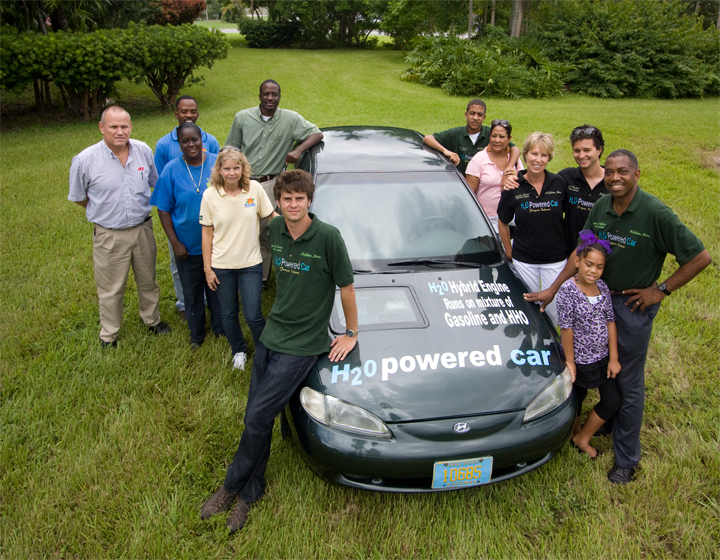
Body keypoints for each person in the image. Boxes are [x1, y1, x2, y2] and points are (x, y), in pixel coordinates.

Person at [525, 149, 711, 484]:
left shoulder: (656, 214)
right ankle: (602, 421)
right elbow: (580, 253)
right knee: (596, 367)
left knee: (627, 380)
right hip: (596, 301)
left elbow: (700, 257)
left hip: (632, 306)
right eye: (609, 171)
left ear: (636, 175)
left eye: (622, 171)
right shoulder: (601, 206)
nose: (614, 178)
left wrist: (661, 289)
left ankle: (626, 457)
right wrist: (554, 289)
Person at [200, 169, 359, 533]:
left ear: (309, 201)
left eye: (299, 199)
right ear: (278, 201)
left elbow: (347, 288)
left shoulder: (328, 237)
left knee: (256, 417)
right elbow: (239, 217)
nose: (292, 205)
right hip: (272, 335)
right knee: (258, 415)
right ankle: (252, 488)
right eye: (286, 198)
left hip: (303, 344)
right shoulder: (275, 231)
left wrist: (350, 333)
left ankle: (231, 487)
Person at [68, 105, 170, 347]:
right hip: (109, 235)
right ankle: (109, 334)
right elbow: (80, 197)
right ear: (102, 128)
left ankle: (152, 320)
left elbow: (155, 183)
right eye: (114, 126)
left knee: (148, 280)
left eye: (124, 126)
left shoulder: (143, 151)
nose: (120, 131)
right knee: (111, 288)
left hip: (143, 229)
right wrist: (105, 212)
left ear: (131, 126)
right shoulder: (85, 160)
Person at [225, 79, 323, 282]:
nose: (270, 98)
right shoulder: (242, 118)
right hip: (243, 183)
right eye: (266, 94)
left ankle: (262, 278)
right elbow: (231, 147)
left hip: (270, 184)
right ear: (260, 95)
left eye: (274, 94)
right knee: (240, 229)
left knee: (269, 232)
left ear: (279, 96)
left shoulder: (290, 119)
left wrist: (298, 149)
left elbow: (316, 133)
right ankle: (238, 273)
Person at [200, 147, 276, 370]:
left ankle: (265, 351)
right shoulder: (210, 195)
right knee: (229, 313)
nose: (232, 172)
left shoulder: (254, 189)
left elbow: (271, 217)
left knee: (253, 315)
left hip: (251, 264)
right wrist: (207, 268)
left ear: (243, 168)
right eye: (227, 168)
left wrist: (297, 228)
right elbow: (206, 233)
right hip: (221, 265)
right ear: (219, 170)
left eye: (236, 167)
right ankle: (239, 350)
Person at [151, 122, 224, 349]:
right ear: (179, 144)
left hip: (217, 244)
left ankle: (221, 329)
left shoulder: (216, 163)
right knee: (192, 293)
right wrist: (175, 243)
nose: (191, 144)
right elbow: (163, 209)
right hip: (187, 245)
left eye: (195, 139)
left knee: (217, 290)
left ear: (202, 139)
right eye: (185, 141)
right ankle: (197, 335)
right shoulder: (171, 170)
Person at [556, 232, 621, 460]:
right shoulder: (567, 291)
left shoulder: (602, 287)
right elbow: (566, 329)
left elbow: (611, 321)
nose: (594, 271)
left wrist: (613, 357)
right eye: (589, 264)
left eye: (599, 267)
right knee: (577, 400)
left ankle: (582, 437)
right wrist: (570, 362)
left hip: (602, 358)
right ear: (577, 262)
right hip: (581, 361)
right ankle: (572, 433)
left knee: (612, 401)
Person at [497, 132, 567, 325]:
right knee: (527, 310)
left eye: (544, 155)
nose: (538, 159)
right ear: (525, 154)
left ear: (549, 158)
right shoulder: (513, 185)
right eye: (534, 154)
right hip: (524, 259)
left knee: (553, 312)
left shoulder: (559, 183)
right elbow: (503, 222)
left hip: (555, 259)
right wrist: (508, 251)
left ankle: (555, 350)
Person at [504, 124, 608, 255]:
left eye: (587, 150)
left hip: (602, 255)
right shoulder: (566, 178)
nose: (581, 155)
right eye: (577, 150)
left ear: (599, 150)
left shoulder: (611, 182)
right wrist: (513, 180)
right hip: (569, 252)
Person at [422, 99, 520, 175]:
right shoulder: (456, 133)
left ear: (484, 118)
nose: (475, 118)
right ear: (466, 115)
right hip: (460, 182)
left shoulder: (492, 134)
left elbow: (515, 149)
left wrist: (509, 167)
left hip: (483, 182)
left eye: (480, 115)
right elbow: (427, 139)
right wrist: (445, 151)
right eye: (472, 113)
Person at [465, 119, 524, 232]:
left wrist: (513, 176)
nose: (497, 140)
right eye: (494, 136)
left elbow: (524, 186)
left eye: (502, 137)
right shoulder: (479, 159)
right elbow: (469, 195)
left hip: (513, 217)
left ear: (509, 139)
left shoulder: (514, 159)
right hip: (487, 219)